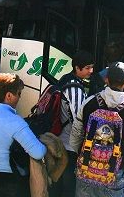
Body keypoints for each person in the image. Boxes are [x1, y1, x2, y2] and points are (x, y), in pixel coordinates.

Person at [70, 62, 124, 196]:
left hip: (86, 171)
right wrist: (123, 165)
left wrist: (88, 157)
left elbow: (75, 137)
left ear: (106, 79)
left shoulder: (89, 102)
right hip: (114, 175)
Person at [0, 73, 47, 197]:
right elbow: (38, 152)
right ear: (9, 95)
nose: (19, 97)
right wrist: (45, 144)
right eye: (19, 94)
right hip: (11, 182)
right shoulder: (16, 121)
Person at [53, 50, 94, 197]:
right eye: (88, 67)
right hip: (69, 141)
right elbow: (79, 119)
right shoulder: (74, 88)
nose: (91, 71)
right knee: (69, 180)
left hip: (63, 138)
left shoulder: (66, 79)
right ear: (77, 68)